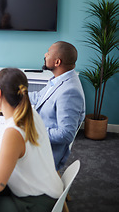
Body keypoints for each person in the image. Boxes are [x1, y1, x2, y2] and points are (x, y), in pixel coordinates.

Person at [0, 68, 63, 212]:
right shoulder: (30, 114)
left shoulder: (13, 131)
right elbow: (23, 142)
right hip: (47, 191)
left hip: (34, 203)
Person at [29, 41, 85, 171]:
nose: (45, 54)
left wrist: (31, 132)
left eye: (48, 53)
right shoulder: (59, 79)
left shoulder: (70, 91)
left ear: (57, 62)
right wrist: (15, 94)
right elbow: (39, 97)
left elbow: (66, 134)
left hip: (45, 154)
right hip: (39, 143)